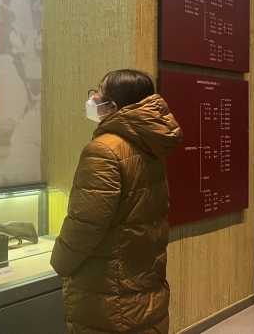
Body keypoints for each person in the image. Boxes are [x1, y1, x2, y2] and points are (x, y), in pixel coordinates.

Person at [50, 69, 183, 334]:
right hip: (143, 271)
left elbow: (86, 223)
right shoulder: (149, 142)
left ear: (112, 106)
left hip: (108, 283)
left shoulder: (104, 150)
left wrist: (61, 262)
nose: (92, 97)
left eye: (98, 91)